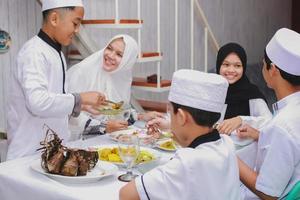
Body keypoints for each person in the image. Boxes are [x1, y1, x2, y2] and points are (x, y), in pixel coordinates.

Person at [6, 0, 106, 160]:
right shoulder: (34, 52)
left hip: (49, 151)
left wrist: (81, 105)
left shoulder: (56, 52)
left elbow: (54, 98)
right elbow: (37, 103)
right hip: (28, 152)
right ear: (54, 19)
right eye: (75, 23)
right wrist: (79, 98)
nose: (77, 30)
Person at [119, 69, 241, 200]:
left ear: (181, 117)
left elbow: (127, 194)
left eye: (170, 113)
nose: (170, 120)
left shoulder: (188, 162)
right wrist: (171, 130)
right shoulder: (226, 143)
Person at [238, 28, 300, 199]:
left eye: (263, 63)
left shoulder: (281, 126)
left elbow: (268, 194)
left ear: (273, 69)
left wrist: (229, 156)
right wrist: (261, 135)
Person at [67, 35, 164, 134]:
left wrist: (142, 116)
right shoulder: (81, 72)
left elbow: (116, 110)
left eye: (119, 54)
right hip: (76, 140)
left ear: (127, 61)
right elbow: (69, 114)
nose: (110, 56)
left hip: (105, 138)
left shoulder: (120, 76)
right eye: (109, 48)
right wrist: (103, 127)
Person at [215, 43, 272, 146]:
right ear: (219, 65)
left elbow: (269, 122)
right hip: (214, 152)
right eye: (226, 64)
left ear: (244, 67)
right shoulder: (212, 90)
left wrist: (241, 120)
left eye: (237, 66)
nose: (231, 70)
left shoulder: (251, 93)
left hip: (244, 154)